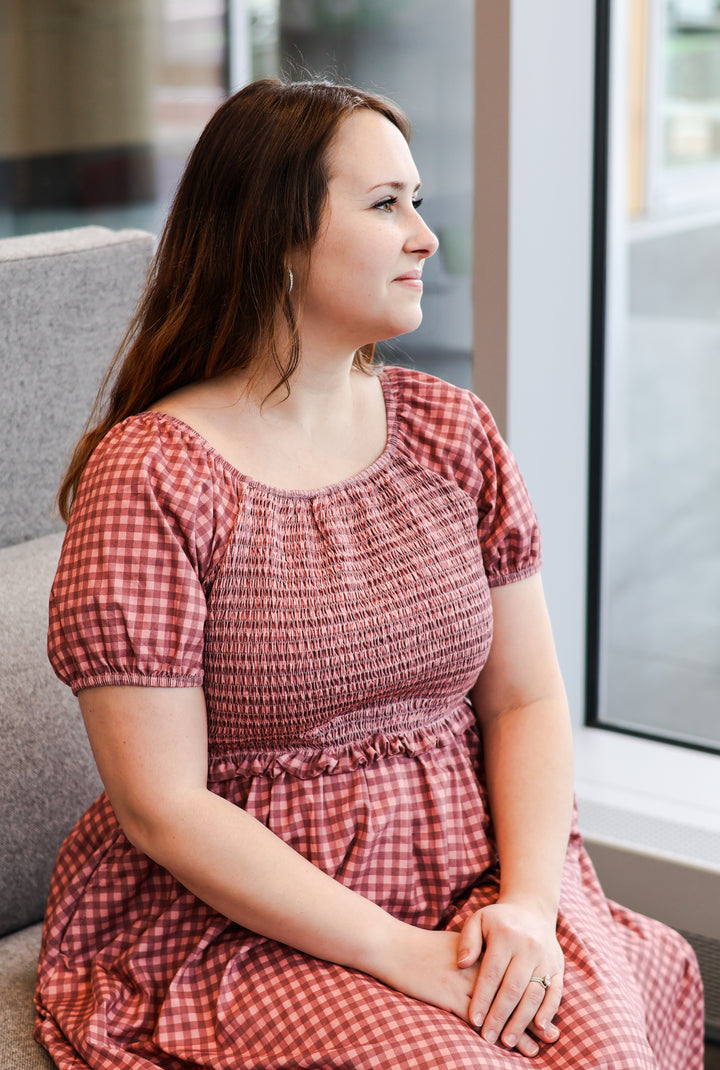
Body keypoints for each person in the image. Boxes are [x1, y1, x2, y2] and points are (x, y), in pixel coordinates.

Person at [35, 78, 703, 1069]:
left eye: (417, 201)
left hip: (476, 876)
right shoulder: (154, 473)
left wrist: (526, 903)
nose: (426, 236)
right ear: (276, 233)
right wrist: (404, 955)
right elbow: (161, 805)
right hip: (244, 924)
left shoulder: (452, 430)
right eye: (386, 203)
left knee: (606, 1051)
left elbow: (524, 698)